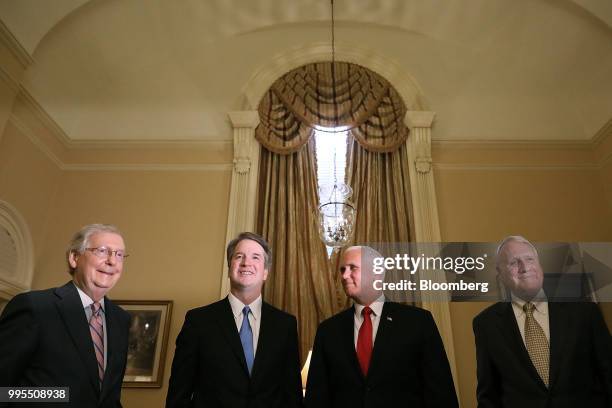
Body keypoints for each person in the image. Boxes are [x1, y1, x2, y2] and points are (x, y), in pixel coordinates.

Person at [304, 246, 458, 407]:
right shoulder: (328, 331)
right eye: (342, 269)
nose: (344, 275)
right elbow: (316, 398)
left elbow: (441, 393)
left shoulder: (418, 322)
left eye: (352, 268)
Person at [0, 224, 131, 408]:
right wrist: (59, 395)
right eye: (102, 251)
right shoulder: (35, 307)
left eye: (119, 254)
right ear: (74, 257)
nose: (112, 261)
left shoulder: (121, 320)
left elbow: (109, 396)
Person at [165, 232, 302, 408]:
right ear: (229, 267)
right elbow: (179, 393)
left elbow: (292, 395)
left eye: (255, 257)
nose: (246, 263)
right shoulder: (198, 321)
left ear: (265, 272)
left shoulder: (285, 325)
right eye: (239, 256)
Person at [473, 235, 612, 408]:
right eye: (514, 263)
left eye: (530, 259)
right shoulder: (486, 325)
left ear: (540, 266)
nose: (524, 268)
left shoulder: (584, 311)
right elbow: (488, 397)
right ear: (500, 274)